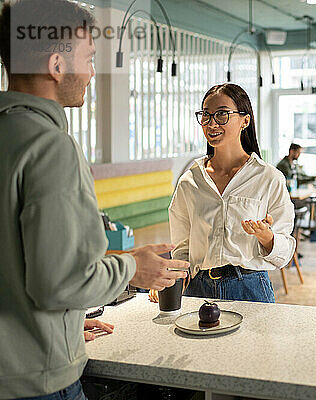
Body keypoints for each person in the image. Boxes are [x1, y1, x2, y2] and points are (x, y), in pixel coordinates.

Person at [0, 1, 188, 398]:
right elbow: (61, 282)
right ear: (56, 65)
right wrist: (133, 269)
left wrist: (61, 324)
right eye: (87, 59)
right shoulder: (51, 147)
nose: (90, 73)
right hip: (38, 382)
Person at [167, 83, 295, 302]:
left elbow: (285, 251)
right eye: (205, 115)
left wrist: (267, 237)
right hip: (198, 291)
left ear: (245, 120)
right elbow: (182, 247)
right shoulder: (190, 181)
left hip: (250, 289)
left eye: (222, 114)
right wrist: (174, 279)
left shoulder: (268, 178)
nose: (211, 123)